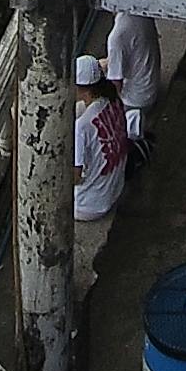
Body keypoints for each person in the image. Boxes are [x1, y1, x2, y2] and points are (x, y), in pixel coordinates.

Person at [69, 50, 127, 289]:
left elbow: (75, 177)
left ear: (83, 89)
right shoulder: (114, 99)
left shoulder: (81, 127)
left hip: (89, 206)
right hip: (116, 185)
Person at [103, 4, 164, 148]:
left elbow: (115, 85)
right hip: (150, 83)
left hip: (136, 101)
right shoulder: (139, 10)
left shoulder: (116, 37)